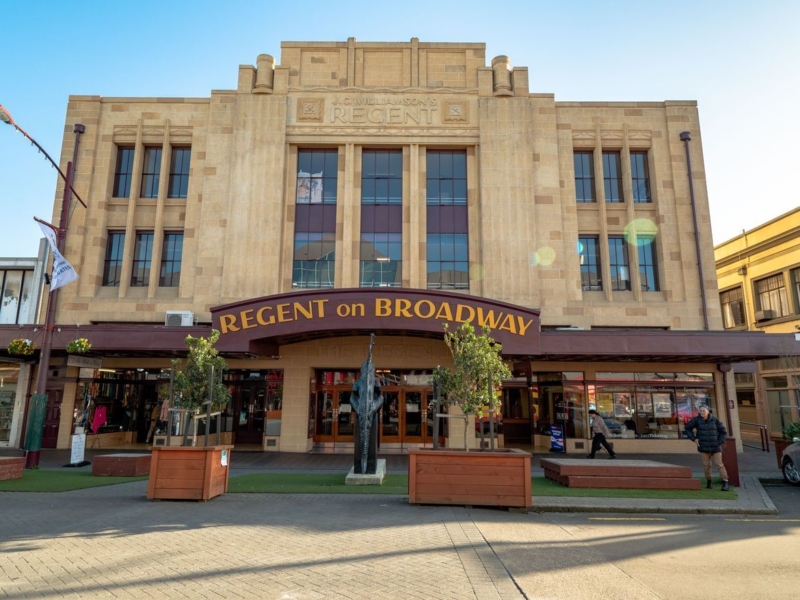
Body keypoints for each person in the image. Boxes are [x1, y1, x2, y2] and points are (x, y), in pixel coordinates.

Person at [684, 404, 730, 491]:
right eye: (700, 411)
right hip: (703, 447)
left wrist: (719, 442)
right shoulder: (696, 420)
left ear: (708, 411)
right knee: (706, 465)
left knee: (719, 464)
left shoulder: (715, 420)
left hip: (715, 447)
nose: (702, 412)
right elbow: (687, 428)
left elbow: (723, 432)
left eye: (704, 411)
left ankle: (725, 482)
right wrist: (694, 439)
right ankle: (709, 481)